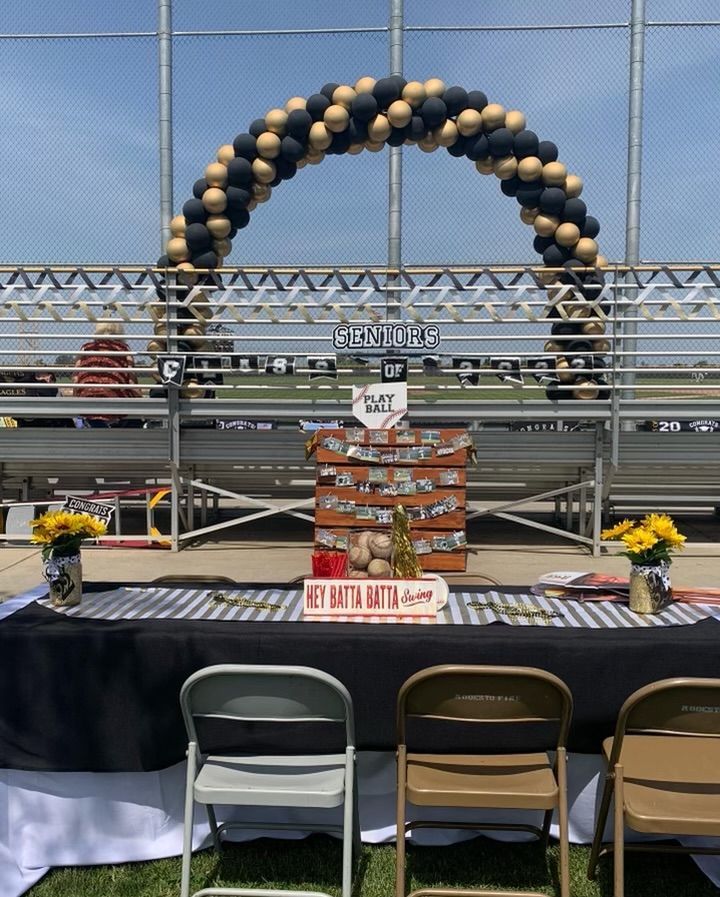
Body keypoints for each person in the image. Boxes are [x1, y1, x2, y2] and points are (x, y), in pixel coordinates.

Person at [73, 321, 141, 427]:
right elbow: (131, 382)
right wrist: (141, 400)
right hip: (115, 402)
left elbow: (75, 379)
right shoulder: (123, 349)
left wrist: (75, 400)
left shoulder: (86, 348)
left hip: (87, 402)